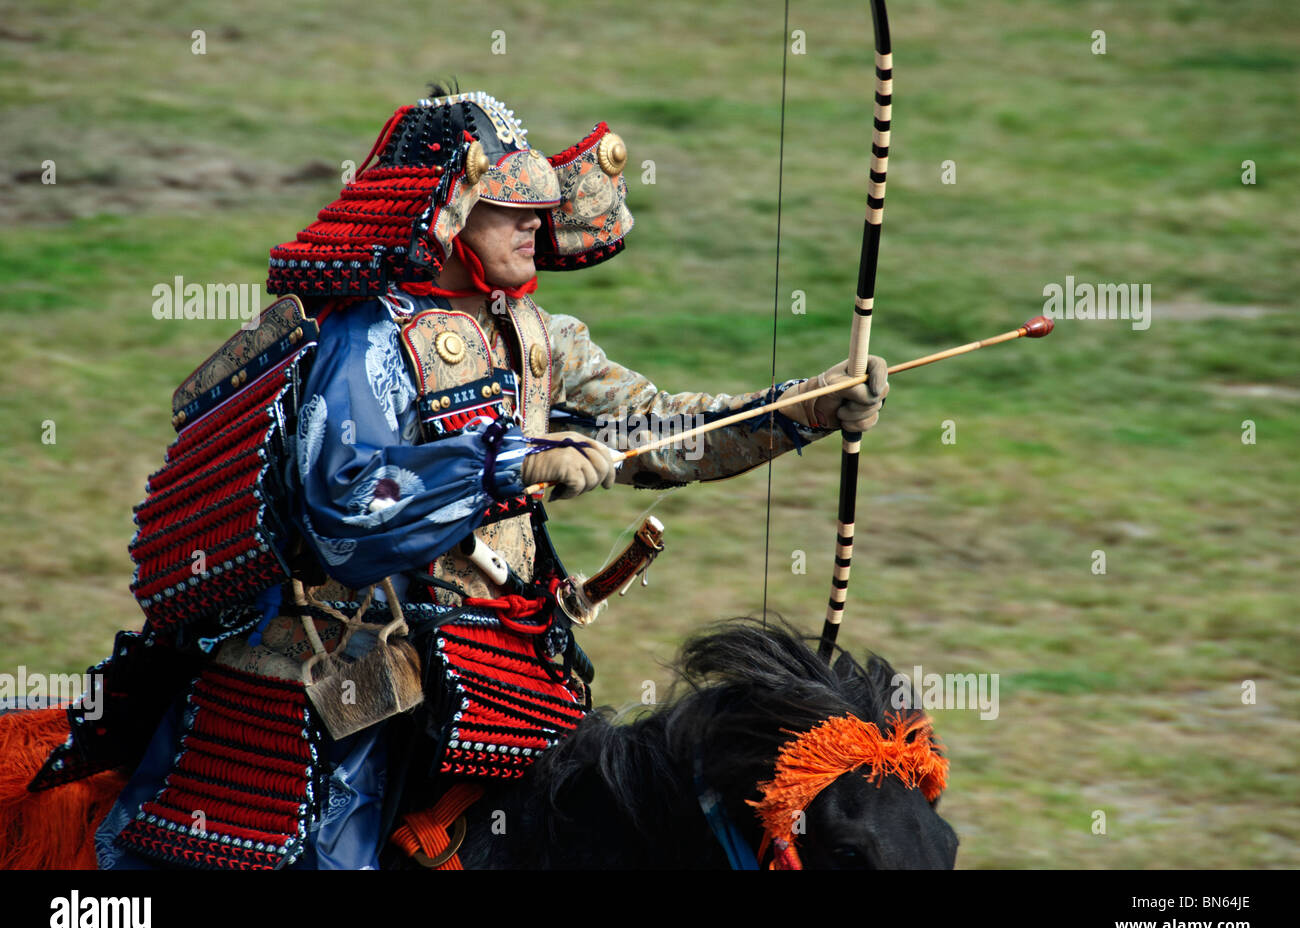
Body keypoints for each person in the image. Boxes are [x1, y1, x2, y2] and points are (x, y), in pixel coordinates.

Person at [36, 86, 888, 870]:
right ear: (446, 213)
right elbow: (344, 505)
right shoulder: (364, 338)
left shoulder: (536, 333)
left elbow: (654, 431)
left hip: (494, 661)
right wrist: (515, 460)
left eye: (537, 205)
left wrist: (803, 409)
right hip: (342, 666)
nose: (534, 222)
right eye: (509, 206)